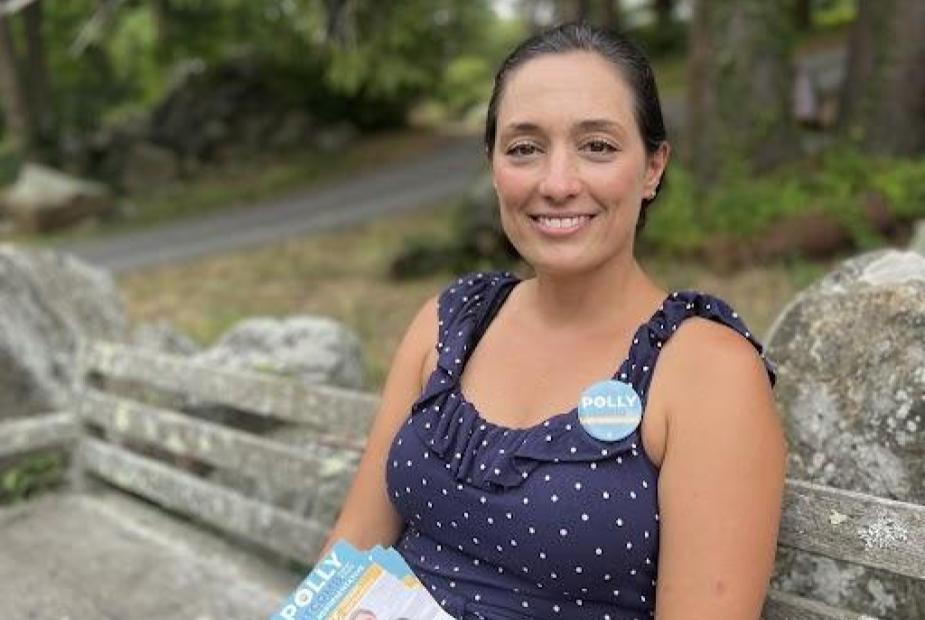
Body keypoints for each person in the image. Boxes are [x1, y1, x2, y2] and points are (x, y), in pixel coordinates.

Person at [320, 22, 786, 620]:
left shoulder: (705, 372)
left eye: (597, 146)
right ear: (492, 165)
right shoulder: (451, 323)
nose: (557, 183)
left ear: (652, 168)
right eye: (524, 148)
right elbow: (352, 549)